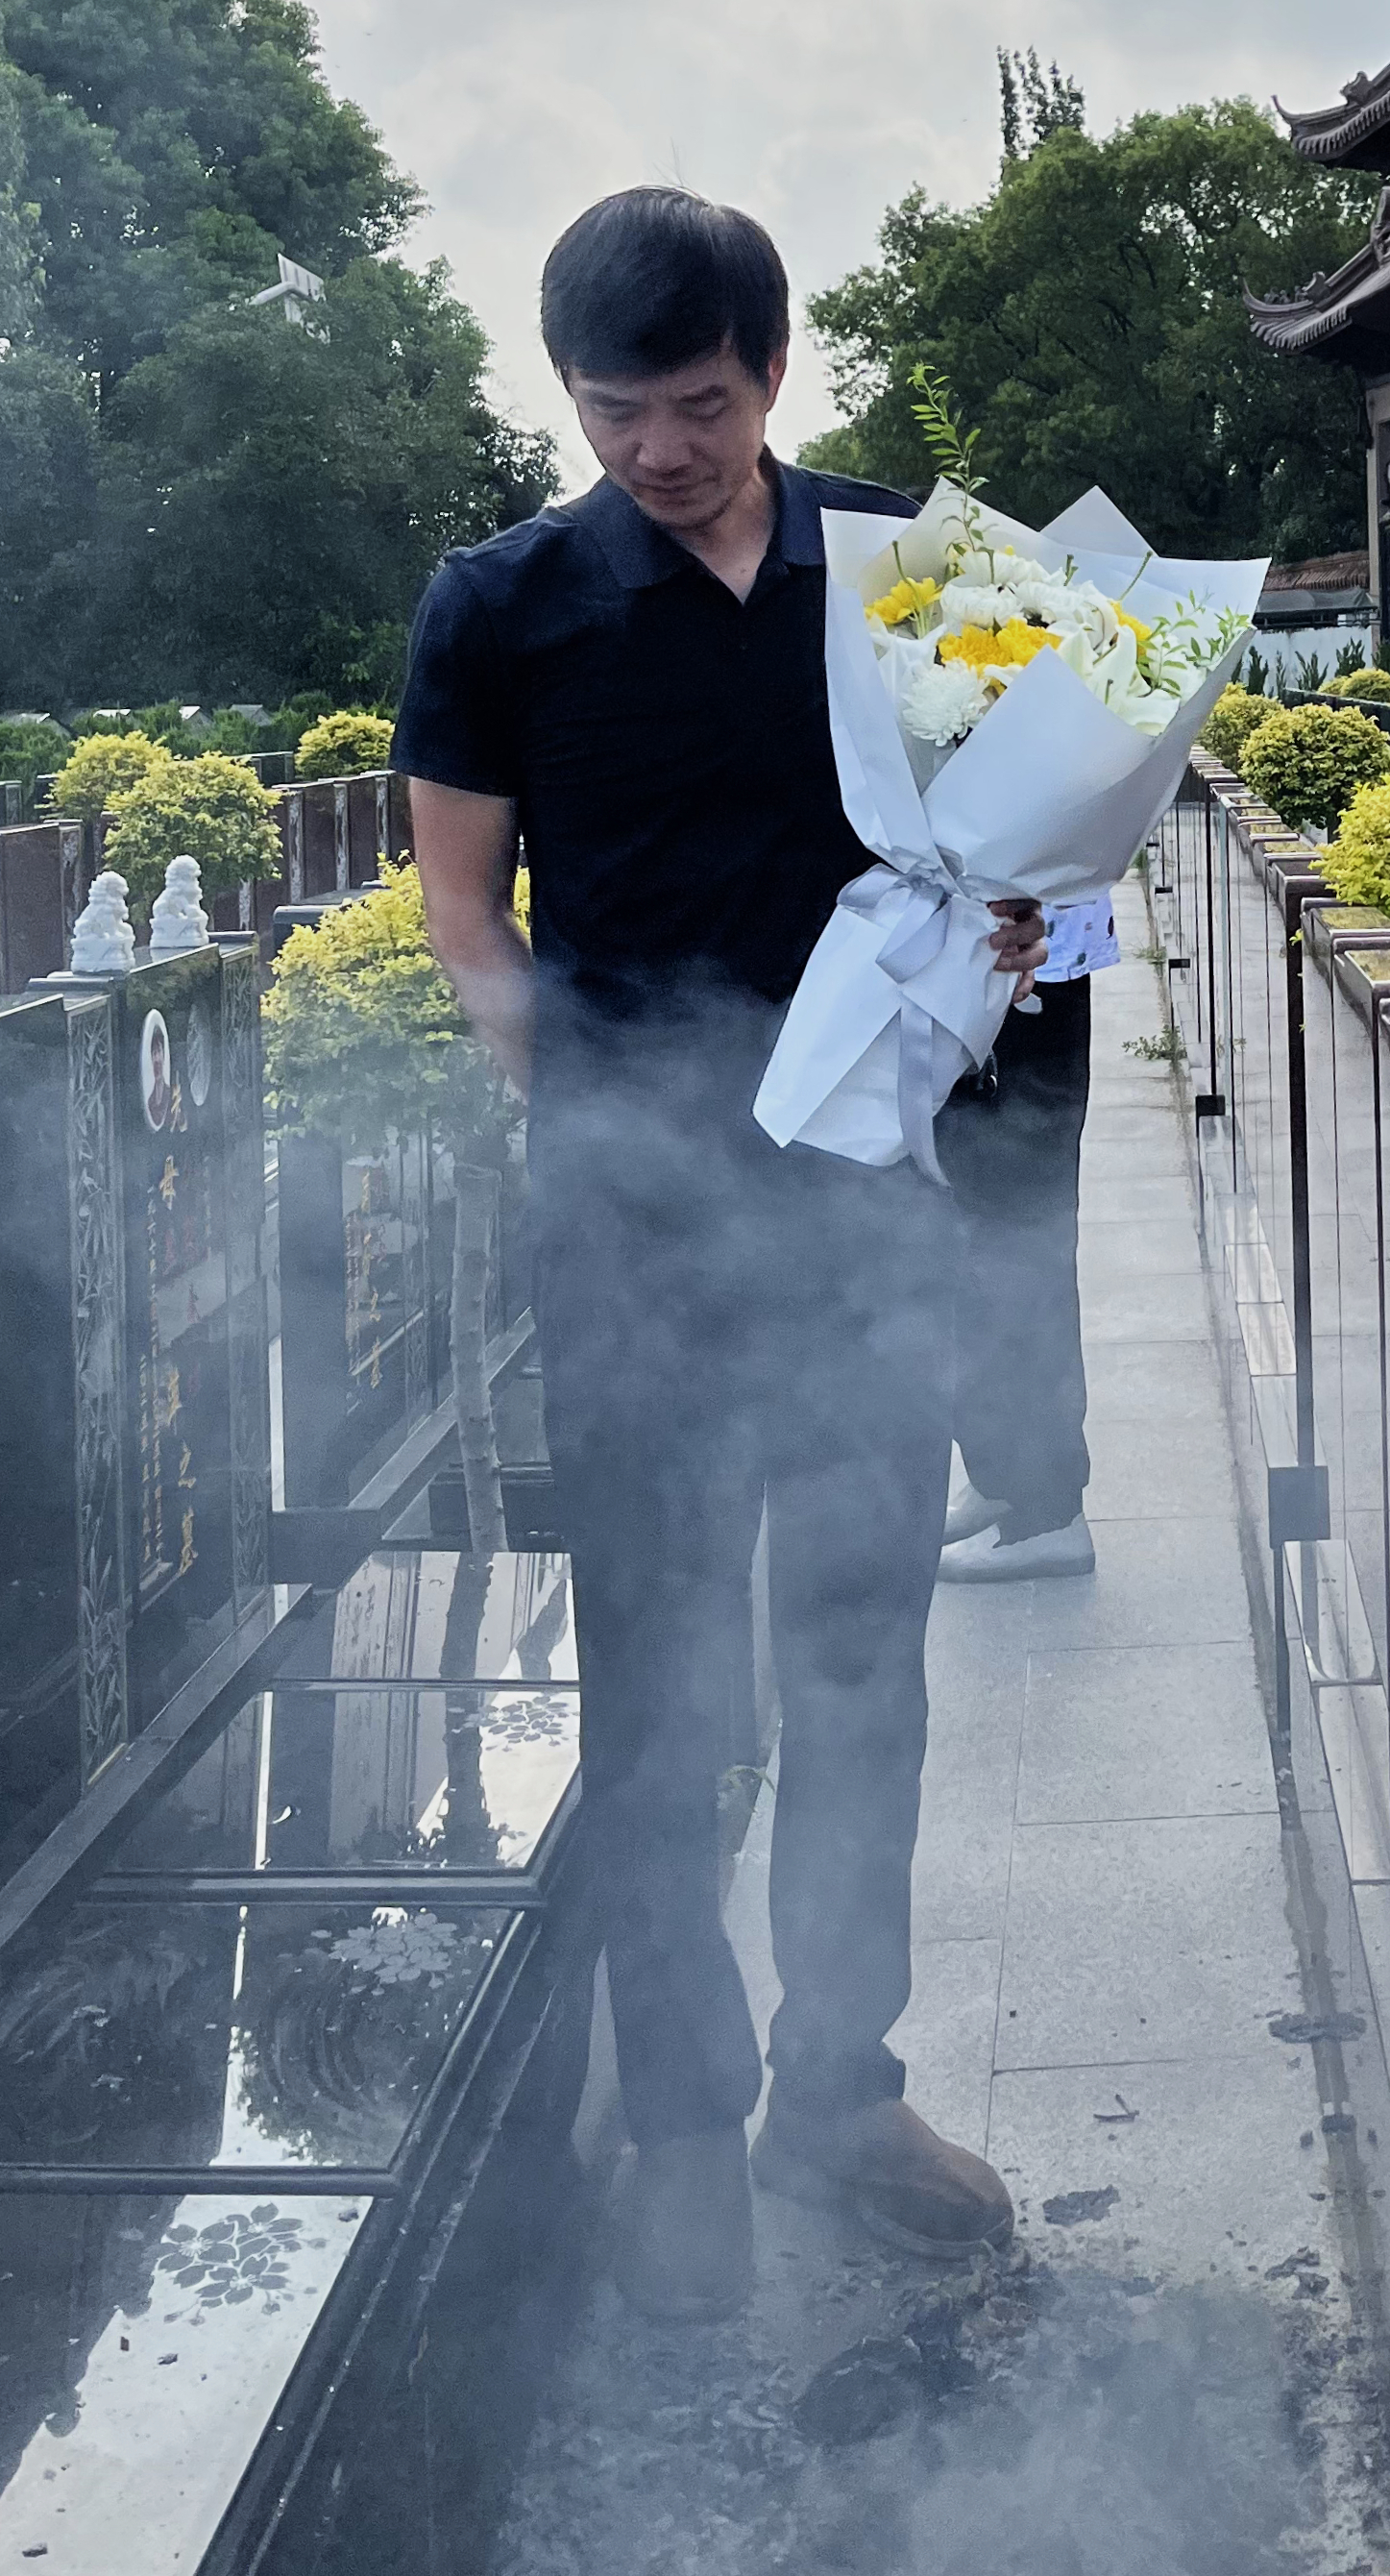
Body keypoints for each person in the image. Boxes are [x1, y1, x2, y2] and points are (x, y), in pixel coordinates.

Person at [399, 187, 1044, 2323]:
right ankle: (678, 2124)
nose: (656, 449)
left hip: (867, 1212)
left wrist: (1027, 926)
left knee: (864, 1673)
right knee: (659, 1688)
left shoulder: (916, 568)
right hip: (637, 1229)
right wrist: (574, 1094)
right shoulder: (497, 603)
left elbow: (1040, 830)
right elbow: (466, 913)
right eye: (611, 410)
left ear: (773, 370)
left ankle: (833, 2093)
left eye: (694, 403)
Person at [936, 894, 1115, 1580]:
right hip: (999, 952)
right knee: (984, 1235)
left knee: (1009, 1236)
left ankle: (1043, 1509)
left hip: (1019, 960)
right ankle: (1002, 1472)